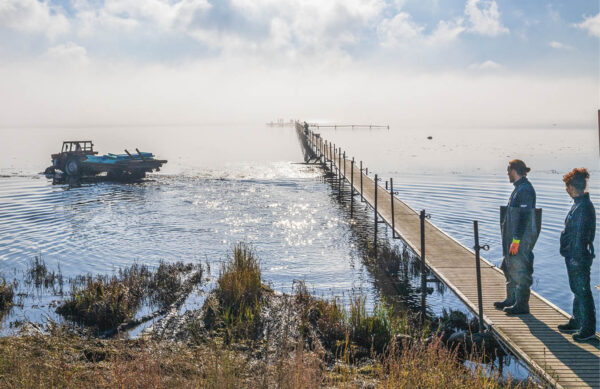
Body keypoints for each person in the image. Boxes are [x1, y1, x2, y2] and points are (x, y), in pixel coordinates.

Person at [494, 159, 540, 315]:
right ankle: (511, 299)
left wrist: (516, 240)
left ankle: (521, 305)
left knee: (521, 270)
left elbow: (525, 218)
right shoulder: (518, 189)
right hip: (512, 239)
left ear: (514, 170)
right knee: (509, 267)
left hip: (520, 240)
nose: (507, 174)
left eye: (508, 171)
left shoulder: (526, 190)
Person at [558, 168, 596, 342]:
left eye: (567, 186)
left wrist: (573, 256)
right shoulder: (579, 204)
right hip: (575, 255)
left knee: (583, 292)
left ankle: (587, 329)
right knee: (577, 290)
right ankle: (576, 321)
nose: (566, 189)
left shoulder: (583, 207)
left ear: (573, 186)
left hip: (578, 257)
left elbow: (579, 236)